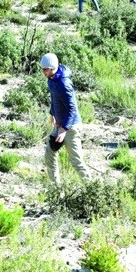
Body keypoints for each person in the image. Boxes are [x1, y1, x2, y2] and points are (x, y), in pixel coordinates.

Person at [41, 53, 90, 184]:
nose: (43, 72)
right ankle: (56, 190)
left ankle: (91, 188)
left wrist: (64, 129)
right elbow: (54, 98)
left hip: (71, 127)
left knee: (76, 161)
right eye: (42, 69)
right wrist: (52, 113)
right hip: (60, 125)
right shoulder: (51, 79)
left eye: (45, 69)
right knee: (49, 155)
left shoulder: (63, 83)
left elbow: (72, 108)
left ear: (52, 68)